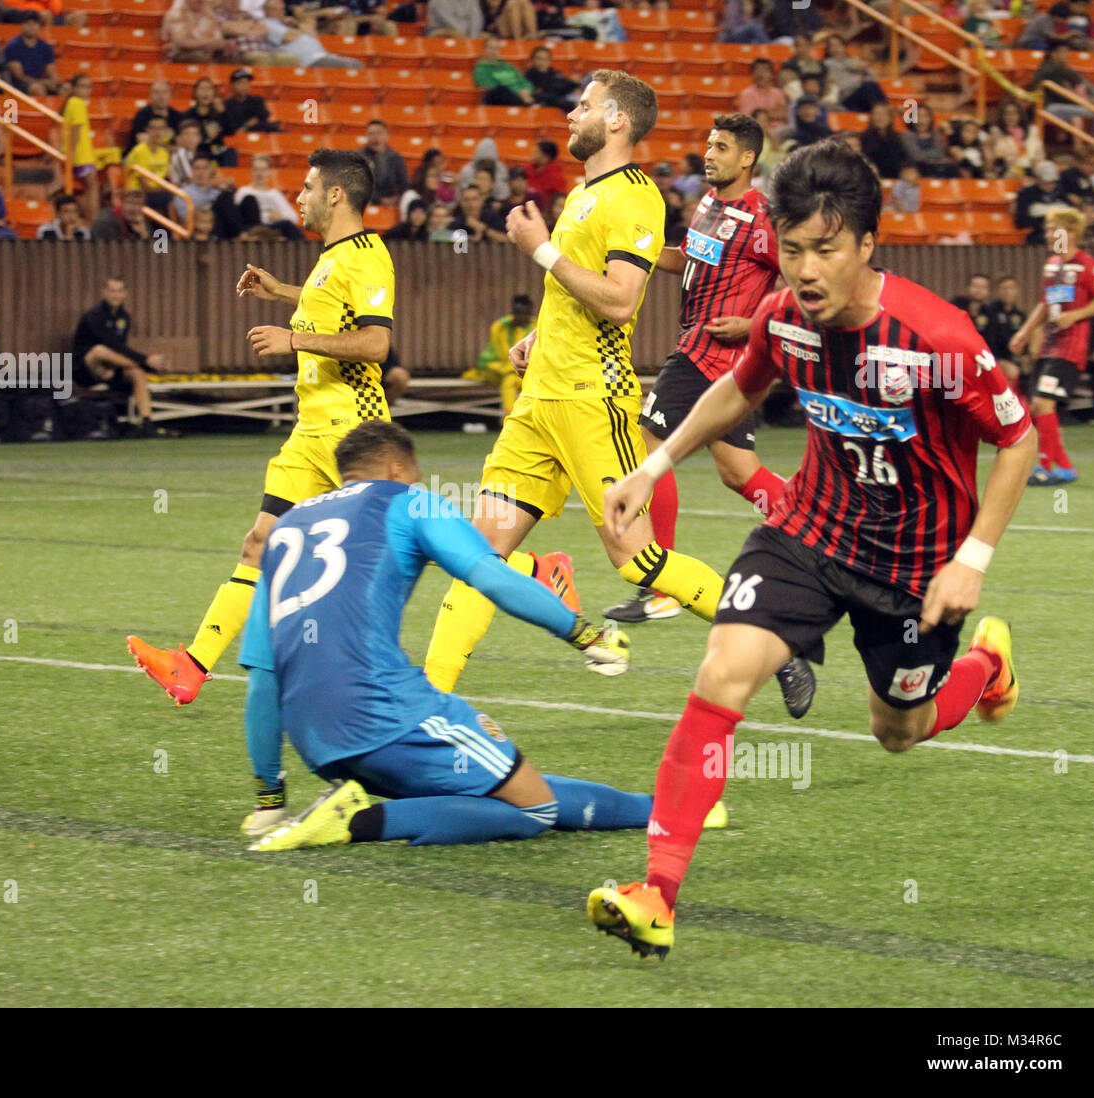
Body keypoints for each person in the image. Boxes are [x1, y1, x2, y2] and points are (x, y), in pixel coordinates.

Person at [587, 138, 1036, 959]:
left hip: (915, 569)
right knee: (722, 671)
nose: (805, 269)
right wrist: (652, 465)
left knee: (898, 730)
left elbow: (1018, 437)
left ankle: (984, 668)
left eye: (825, 249)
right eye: (791, 249)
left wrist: (972, 556)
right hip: (810, 531)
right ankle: (656, 891)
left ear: (868, 243)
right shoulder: (783, 317)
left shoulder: (938, 336)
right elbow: (740, 386)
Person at [422, 72, 813, 720]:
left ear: (615, 121)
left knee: (637, 561)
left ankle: (778, 643)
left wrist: (542, 249)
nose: (571, 113)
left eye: (583, 104)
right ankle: (430, 708)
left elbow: (620, 298)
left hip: (589, 399)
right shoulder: (584, 193)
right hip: (540, 397)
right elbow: (578, 291)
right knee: (478, 557)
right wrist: (538, 335)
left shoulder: (635, 196)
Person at [239, 420, 646, 850]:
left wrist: (269, 798)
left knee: (501, 787)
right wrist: (583, 634)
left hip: (316, 739)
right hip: (386, 715)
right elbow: (490, 576)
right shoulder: (408, 500)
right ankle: (352, 820)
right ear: (397, 469)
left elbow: (262, 679)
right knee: (535, 808)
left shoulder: (286, 528)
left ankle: (658, 811)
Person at [127, 150, 397, 705]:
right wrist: (283, 293)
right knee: (259, 543)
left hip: (356, 432)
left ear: (337, 195)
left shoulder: (369, 255)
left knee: (415, 546)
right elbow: (331, 305)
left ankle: (531, 571)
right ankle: (191, 667)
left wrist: (292, 338)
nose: (297, 197)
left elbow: (376, 343)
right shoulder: (332, 258)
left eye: (306, 187)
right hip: (311, 432)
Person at [601, 114, 798, 664]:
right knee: (738, 473)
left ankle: (660, 585)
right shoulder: (708, 207)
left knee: (647, 448)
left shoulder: (762, 218)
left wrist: (754, 322)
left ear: (747, 161)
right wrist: (628, 256)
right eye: (708, 142)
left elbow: (798, 282)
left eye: (722, 146)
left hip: (708, 357)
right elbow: (689, 259)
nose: (708, 153)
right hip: (721, 363)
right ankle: (813, 526)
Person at [1008, 207, 1094, 486]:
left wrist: (1074, 315)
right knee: (1039, 406)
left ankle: (1045, 466)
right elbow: (1045, 303)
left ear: (1072, 233)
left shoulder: (1087, 265)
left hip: (1071, 345)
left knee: (1043, 402)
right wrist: (1026, 331)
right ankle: (1063, 467)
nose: (1050, 235)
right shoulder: (1052, 265)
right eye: (1048, 230)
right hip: (1049, 345)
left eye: (1055, 229)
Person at [72, 277, 170, 435]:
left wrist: (132, 365)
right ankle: (143, 366)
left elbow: (121, 349)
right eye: (112, 291)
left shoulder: (123, 317)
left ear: (125, 294)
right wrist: (145, 360)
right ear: (104, 292)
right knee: (99, 350)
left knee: (136, 373)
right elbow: (111, 345)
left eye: (119, 291)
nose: (115, 295)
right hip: (86, 372)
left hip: (112, 369)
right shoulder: (94, 315)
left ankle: (147, 423)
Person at [463, 293, 534, 413]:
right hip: (499, 369)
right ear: (513, 311)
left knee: (510, 381)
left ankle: (511, 417)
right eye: (517, 312)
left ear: (530, 311)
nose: (520, 317)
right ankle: (512, 417)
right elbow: (502, 353)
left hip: (526, 372)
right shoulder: (500, 326)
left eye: (524, 313)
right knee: (510, 378)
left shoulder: (537, 326)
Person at [260, 0, 363, 67]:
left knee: (357, 63)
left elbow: (312, 36)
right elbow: (288, 36)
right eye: (279, 7)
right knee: (352, 66)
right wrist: (301, 28)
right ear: (269, 9)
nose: (282, 8)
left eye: (282, 7)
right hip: (309, 60)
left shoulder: (286, 24)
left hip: (322, 55)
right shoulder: (268, 24)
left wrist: (296, 26)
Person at [227, 153, 304, 239]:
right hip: (251, 228)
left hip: (271, 228)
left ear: (269, 172)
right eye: (257, 170)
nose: (260, 173)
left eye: (263, 170)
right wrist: (268, 217)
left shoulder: (275, 194)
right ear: (251, 171)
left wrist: (280, 216)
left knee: (288, 226)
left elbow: (293, 217)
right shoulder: (243, 192)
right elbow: (236, 216)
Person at [61, 73, 99, 221]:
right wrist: (73, 154)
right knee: (92, 188)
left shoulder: (71, 102)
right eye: (82, 86)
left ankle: (88, 219)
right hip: (81, 155)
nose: (86, 91)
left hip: (79, 153)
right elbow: (75, 131)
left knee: (85, 189)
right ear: (74, 88)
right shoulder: (77, 103)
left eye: (89, 87)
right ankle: (93, 221)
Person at [986, 274, 1029, 394]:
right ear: (997, 291)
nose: (1008, 292)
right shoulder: (988, 311)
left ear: (1017, 291)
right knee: (1012, 371)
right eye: (1004, 288)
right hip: (991, 357)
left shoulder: (1020, 315)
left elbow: (1023, 342)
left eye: (1011, 288)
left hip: (1013, 359)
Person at [1014, 159, 1072, 244]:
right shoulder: (1026, 194)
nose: (1050, 186)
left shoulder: (1061, 192)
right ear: (1037, 179)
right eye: (1046, 182)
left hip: (1061, 235)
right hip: (1037, 237)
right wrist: (1043, 225)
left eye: (1053, 182)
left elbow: (1071, 214)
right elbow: (1021, 221)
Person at [3, 14, 59, 95]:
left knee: (65, 89)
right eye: (28, 23)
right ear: (21, 26)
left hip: (39, 81)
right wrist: (42, 82)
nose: (31, 27)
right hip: (17, 84)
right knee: (37, 89)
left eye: (35, 24)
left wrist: (54, 81)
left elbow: (51, 70)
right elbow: (19, 76)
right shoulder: (13, 46)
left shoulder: (45, 47)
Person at [473, 34, 536, 107]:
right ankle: (531, 105)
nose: (494, 51)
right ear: (484, 50)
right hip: (499, 99)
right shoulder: (481, 69)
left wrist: (526, 90)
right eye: (491, 48)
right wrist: (519, 93)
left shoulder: (508, 66)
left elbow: (524, 82)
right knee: (501, 89)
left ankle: (532, 104)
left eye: (497, 49)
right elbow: (490, 87)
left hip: (521, 96)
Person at [899, 105, 958, 179]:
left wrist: (926, 156)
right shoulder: (907, 135)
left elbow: (940, 153)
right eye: (918, 116)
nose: (921, 120)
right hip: (916, 170)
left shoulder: (936, 133)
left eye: (925, 116)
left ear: (930, 119)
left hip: (936, 169)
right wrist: (932, 157)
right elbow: (916, 156)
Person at [361, 120, 409, 207]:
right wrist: (379, 200)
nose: (375, 137)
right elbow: (357, 185)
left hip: (391, 199)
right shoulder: (359, 157)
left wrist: (397, 198)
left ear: (387, 135)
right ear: (366, 136)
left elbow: (404, 183)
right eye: (371, 133)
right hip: (368, 199)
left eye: (379, 133)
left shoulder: (396, 157)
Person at [125, 82, 181, 155]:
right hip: (142, 156)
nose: (161, 96)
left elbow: (181, 145)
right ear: (150, 95)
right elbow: (142, 140)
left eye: (164, 92)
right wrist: (168, 148)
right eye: (156, 92)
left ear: (170, 95)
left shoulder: (177, 116)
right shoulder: (142, 114)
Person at [860, 101, 908, 180]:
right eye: (876, 114)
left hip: (897, 177)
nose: (880, 118)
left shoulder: (896, 138)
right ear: (871, 117)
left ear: (890, 118)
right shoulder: (865, 138)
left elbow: (904, 158)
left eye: (883, 114)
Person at [525, 44, 578, 112]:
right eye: (539, 59)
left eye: (546, 59)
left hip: (566, 99)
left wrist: (575, 85)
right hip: (548, 105)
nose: (543, 62)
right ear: (532, 60)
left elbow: (568, 85)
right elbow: (542, 97)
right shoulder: (528, 77)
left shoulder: (556, 74)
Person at [735, 58, 788, 124]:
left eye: (764, 70)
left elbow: (782, 114)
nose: (760, 73)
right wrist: (771, 114)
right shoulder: (746, 94)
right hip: (755, 129)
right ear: (752, 74)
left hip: (777, 130)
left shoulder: (778, 93)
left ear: (771, 74)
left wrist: (761, 115)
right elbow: (748, 117)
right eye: (757, 70)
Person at [221, 68, 273, 135]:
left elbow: (262, 117)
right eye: (240, 82)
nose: (244, 86)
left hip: (258, 138)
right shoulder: (227, 104)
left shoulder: (257, 100)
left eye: (247, 82)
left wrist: (245, 127)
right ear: (232, 85)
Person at [951, 272, 993, 343]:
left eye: (983, 287)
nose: (979, 290)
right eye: (976, 286)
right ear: (968, 288)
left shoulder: (989, 312)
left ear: (988, 291)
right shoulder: (956, 305)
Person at [526, 140, 567, 207]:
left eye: (536, 152)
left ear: (545, 157)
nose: (532, 154)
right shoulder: (527, 169)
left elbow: (559, 201)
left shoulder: (556, 177)